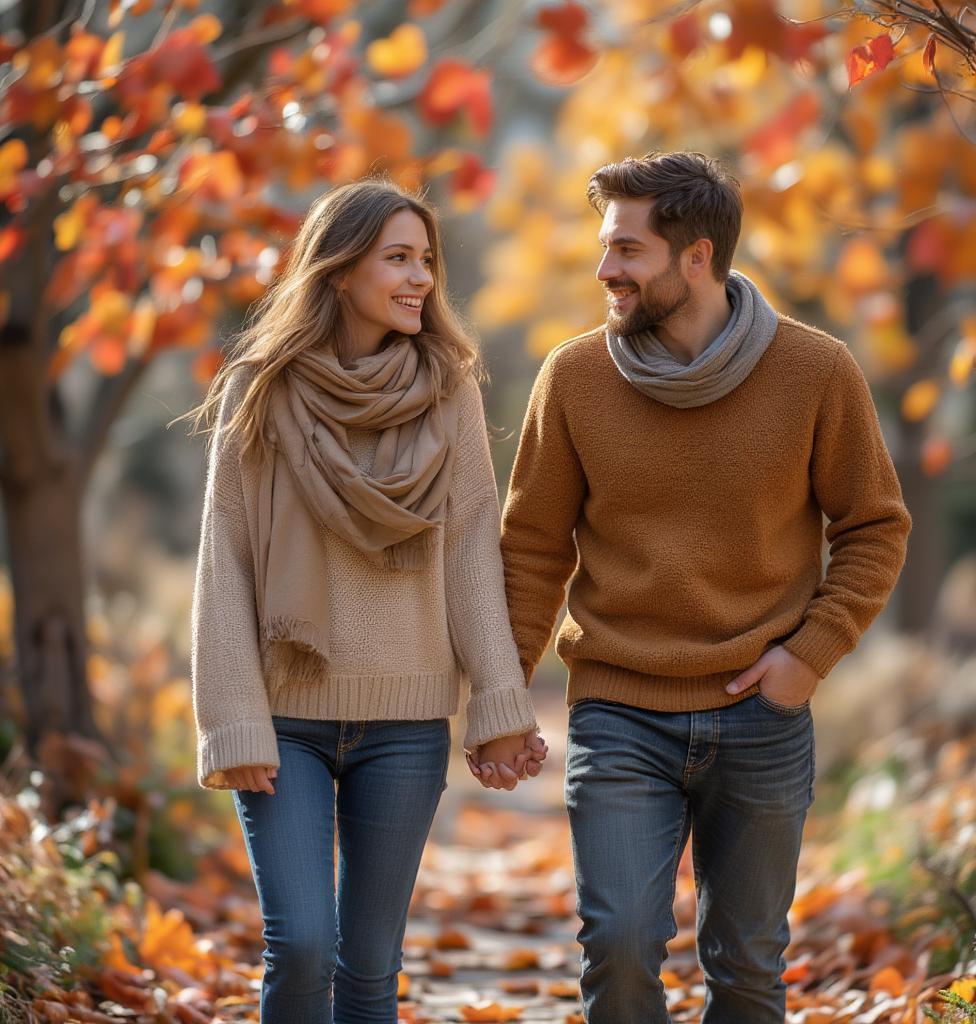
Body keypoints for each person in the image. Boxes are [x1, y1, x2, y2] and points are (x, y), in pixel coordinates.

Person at [494, 152, 912, 1023]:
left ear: (697, 256)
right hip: (618, 707)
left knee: (750, 965)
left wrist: (810, 655)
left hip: (761, 709)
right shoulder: (573, 378)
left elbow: (874, 527)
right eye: (605, 247)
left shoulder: (816, 372)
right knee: (617, 941)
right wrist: (501, 698)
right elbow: (531, 549)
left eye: (627, 250)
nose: (604, 269)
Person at [185, 179, 547, 1024]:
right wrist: (232, 720)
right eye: (398, 258)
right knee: (303, 946)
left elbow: (468, 555)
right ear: (340, 271)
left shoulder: (449, 391)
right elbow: (224, 561)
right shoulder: (260, 390)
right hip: (286, 720)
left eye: (427, 260)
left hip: (406, 727)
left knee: (371, 968)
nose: (421, 277)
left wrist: (499, 704)